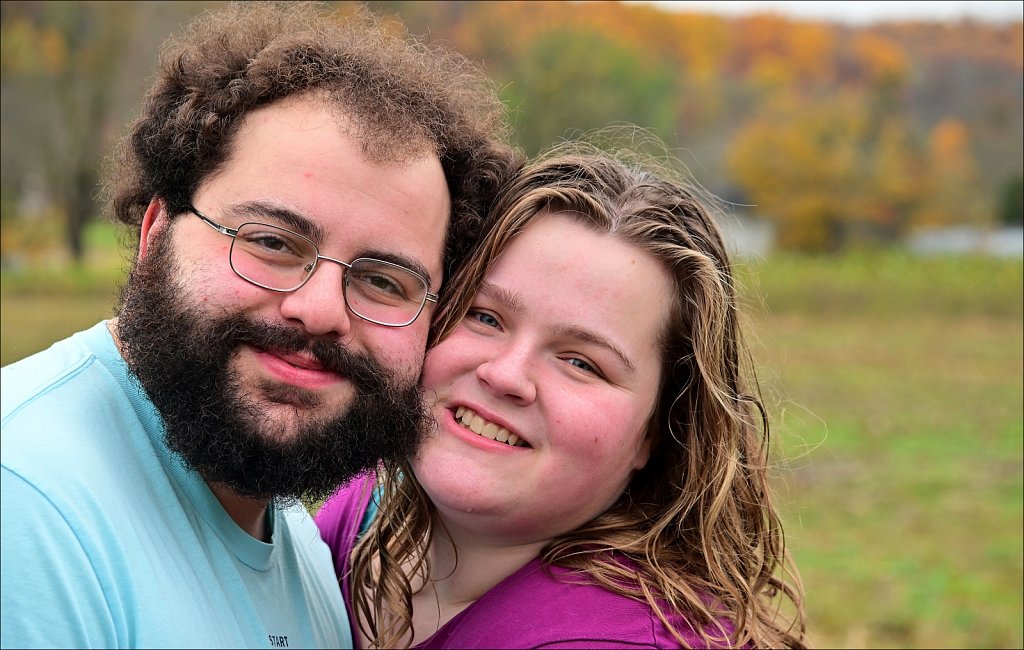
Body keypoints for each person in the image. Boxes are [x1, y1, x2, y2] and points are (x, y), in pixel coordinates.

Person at [0, 3, 518, 648]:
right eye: (272, 242)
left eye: (384, 280)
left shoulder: (294, 541)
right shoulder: (27, 504)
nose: (321, 309)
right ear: (157, 232)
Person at [316, 142, 807, 649]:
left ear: (659, 432)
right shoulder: (359, 512)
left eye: (581, 363)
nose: (506, 375)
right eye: (485, 317)